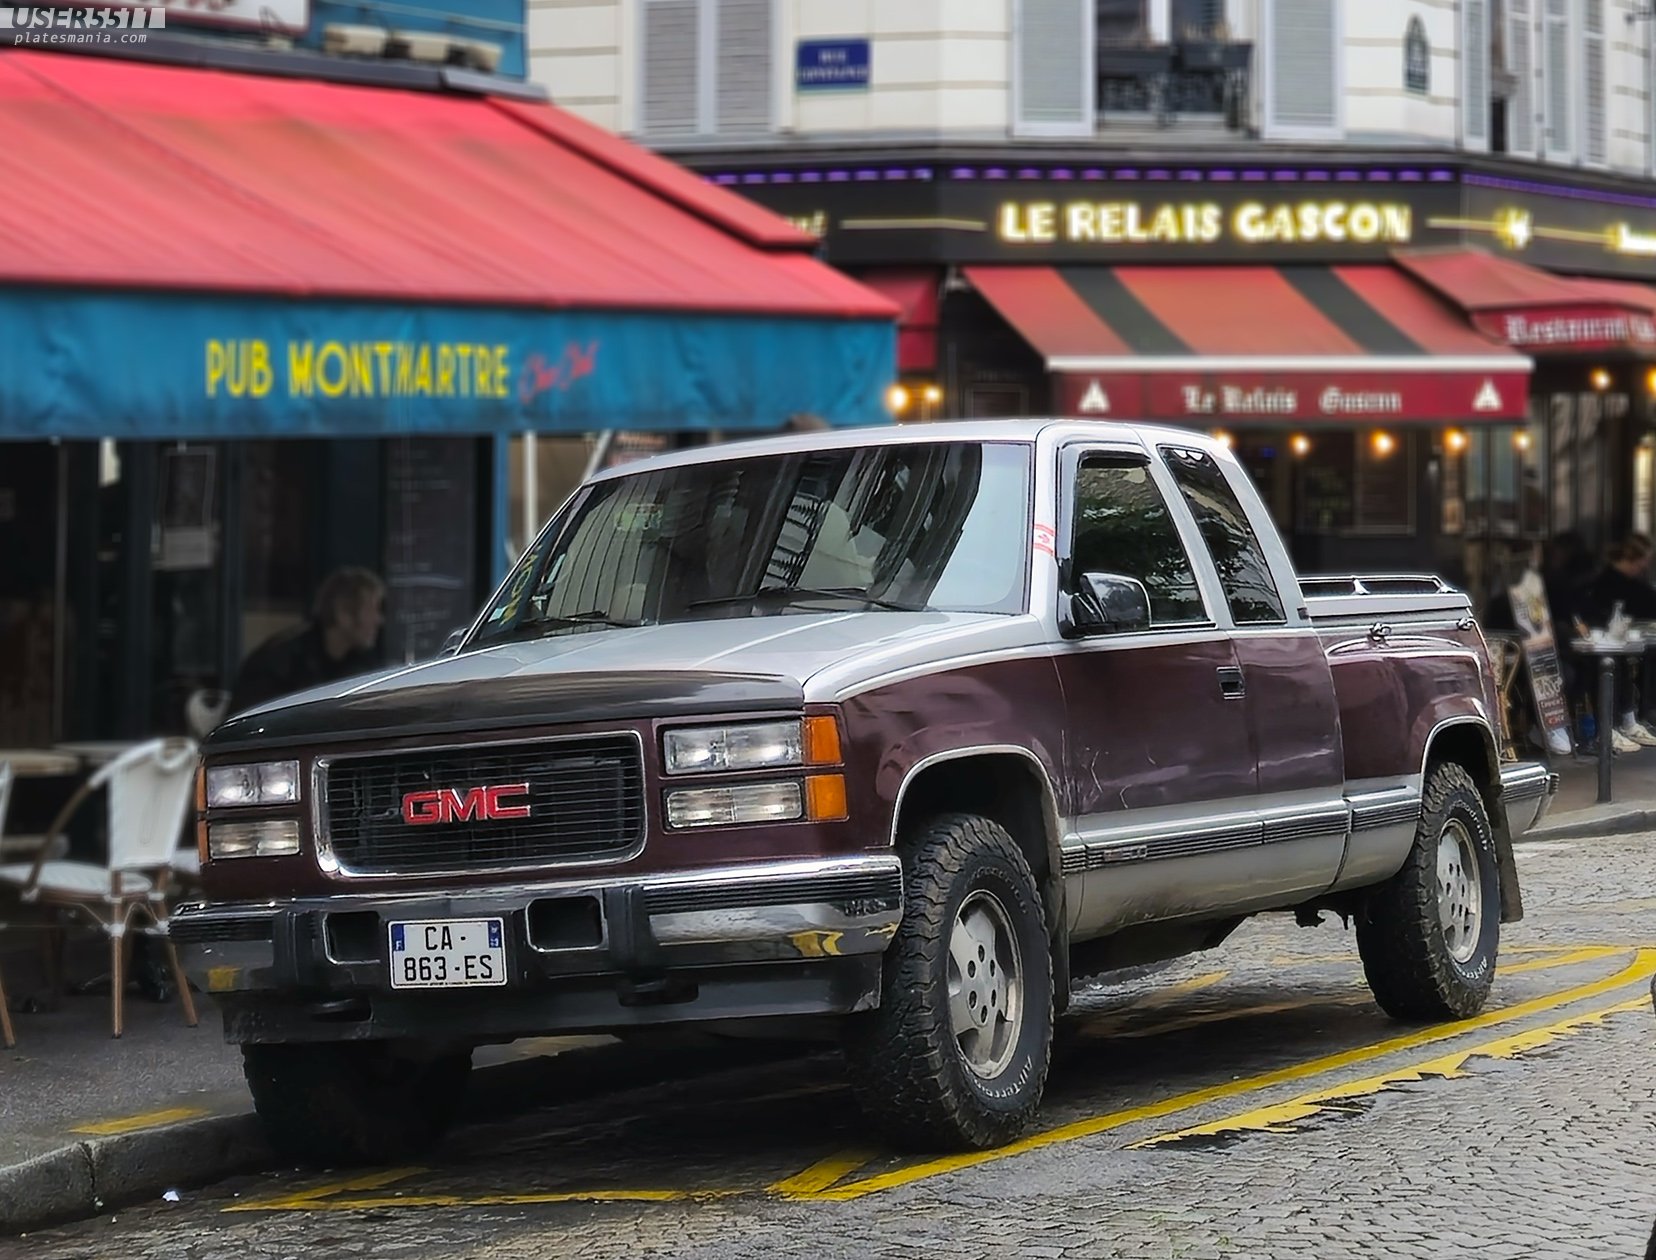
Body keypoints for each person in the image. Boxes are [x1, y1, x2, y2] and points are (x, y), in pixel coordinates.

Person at [228, 567, 386, 715]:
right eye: (373, 610)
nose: (379, 620)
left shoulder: (363, 666)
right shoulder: (279, 662)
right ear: (344, 614)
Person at [1577, 535, 1656, 750]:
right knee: (1612, 663)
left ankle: (1627, 720)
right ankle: (1615, 725)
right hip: (1594, 643)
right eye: (1643, 561)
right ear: (1632, 559)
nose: (1645, 565)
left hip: (1610, 639)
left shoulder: (1620, 582)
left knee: (1622, 661)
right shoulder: (1606, 584)